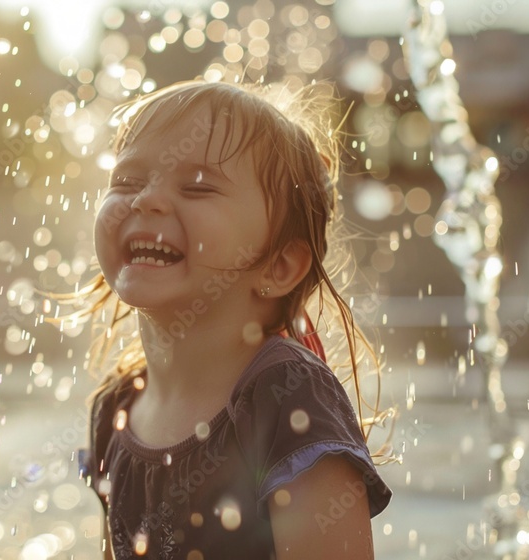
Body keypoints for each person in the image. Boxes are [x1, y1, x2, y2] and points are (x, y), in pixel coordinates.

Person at [51, 78, 394, 559]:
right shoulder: (117, 407)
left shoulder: (286, 398)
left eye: (196, 186)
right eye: (126, 181)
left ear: (278, 266)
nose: (146, 199)